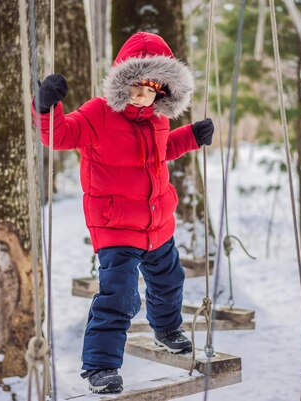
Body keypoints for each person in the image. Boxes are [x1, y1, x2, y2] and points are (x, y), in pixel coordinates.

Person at [33, 32, 214, 394]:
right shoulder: (99, 113)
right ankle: (100, 366)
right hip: (116, 227)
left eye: (150, 89)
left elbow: (162, 151)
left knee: (169, 280)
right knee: (120, 295)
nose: (141, 96)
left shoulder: (158, 120)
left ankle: (166, 329)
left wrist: (191, 136)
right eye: (134, 86)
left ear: (162, 91)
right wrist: (46, 107)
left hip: (157, 223)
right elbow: (61, 136)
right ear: (121, 81)